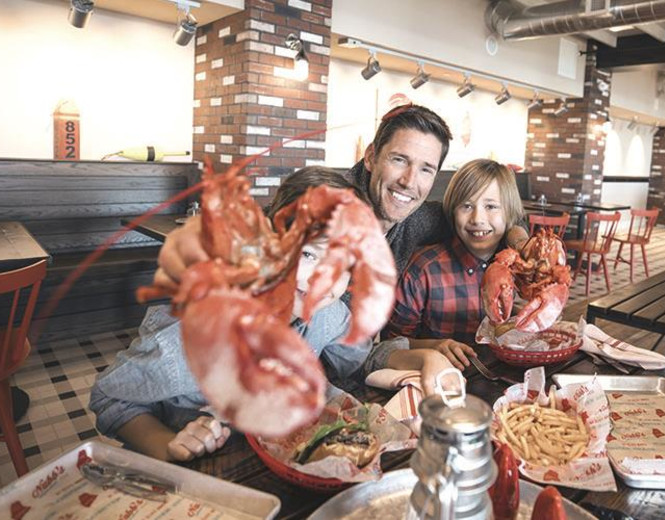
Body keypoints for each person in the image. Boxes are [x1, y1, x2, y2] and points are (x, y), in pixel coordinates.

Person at [90, 167, 452, 462]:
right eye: (308, 255)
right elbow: (110, 399)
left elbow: (360, 359)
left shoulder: (326, 315)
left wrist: (424, 356)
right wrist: (167, 445)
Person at [151, 104, 529, 365]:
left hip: (344, 370)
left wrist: (520, 240)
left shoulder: (417, 216)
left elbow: (482, 219)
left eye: (426, 168)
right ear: (371, 157)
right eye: (399, 160)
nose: (409, 181)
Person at [384, 159, 525, 370]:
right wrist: (434, 346)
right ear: (451, 210)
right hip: (437, 383)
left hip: (504, 377)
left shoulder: (518, 264)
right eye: (467, 206)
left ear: (509, 213)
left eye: (491, 207)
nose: (478, 219)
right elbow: (390, 345)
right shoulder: (423, 270)